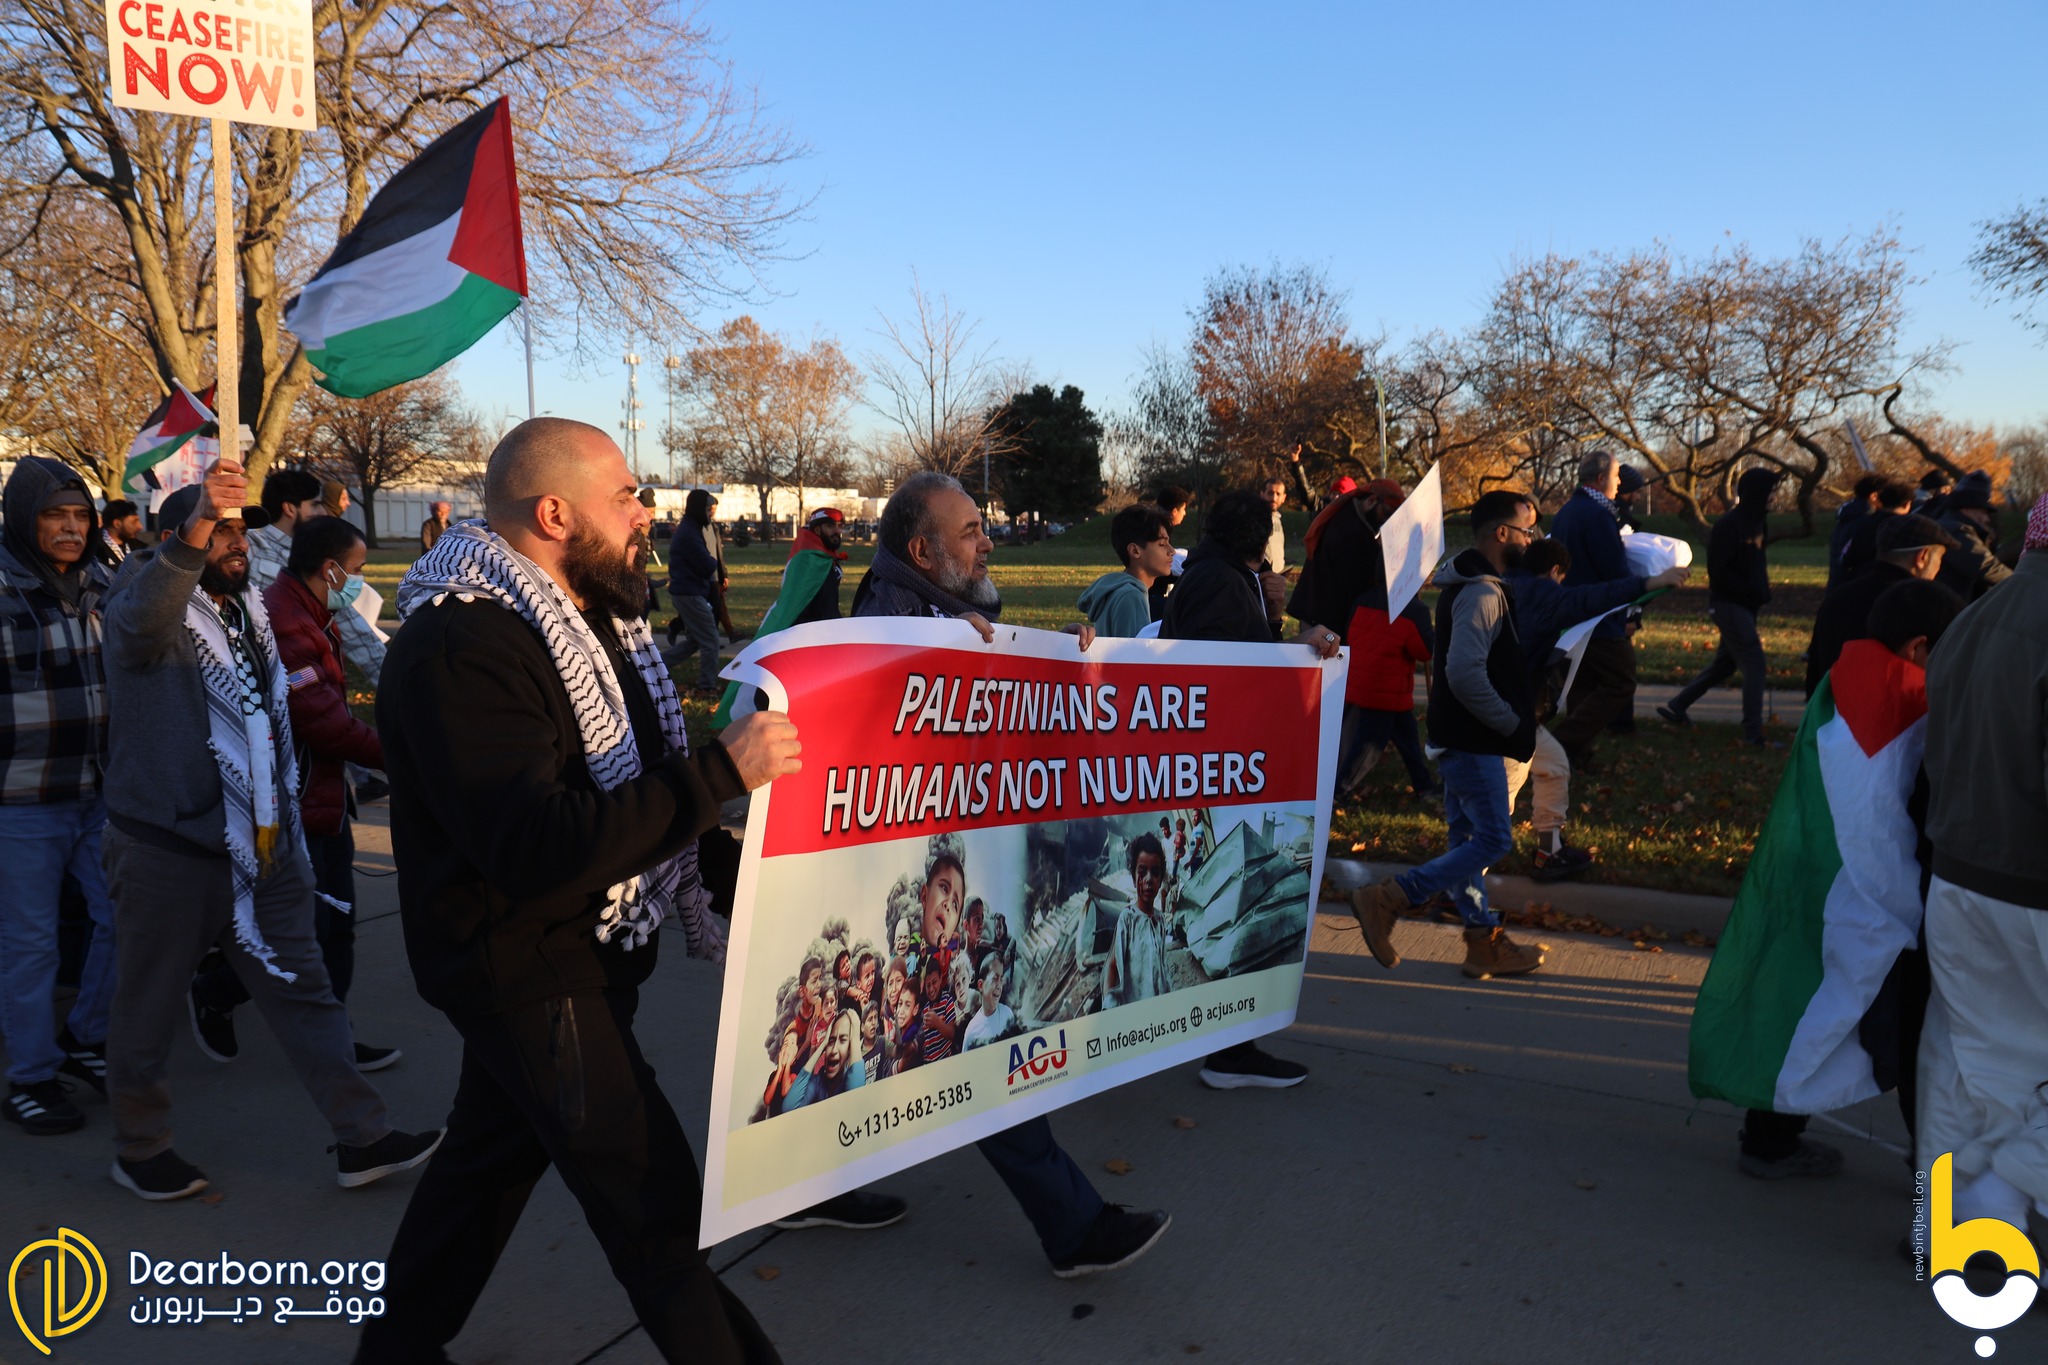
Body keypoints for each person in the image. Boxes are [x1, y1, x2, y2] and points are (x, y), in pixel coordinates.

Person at [358, 418, 805, 1364]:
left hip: (586, 953)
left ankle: (394, 1352)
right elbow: (537, 845)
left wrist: (751, 879)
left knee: (485, 1166)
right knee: (659, 1218)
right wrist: (718, 774)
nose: (646, 514)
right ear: (555, 514)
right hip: (528, 970)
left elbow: (642, 796)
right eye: (627, 495)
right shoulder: (460, 646)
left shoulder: (595, 625)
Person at [845, 469, 1170, 1277]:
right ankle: (1074, 1228)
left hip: (954, 881)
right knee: (981, 1061)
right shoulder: (890, 624)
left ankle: (798, 1182)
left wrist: (1059, 659)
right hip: (917, 873)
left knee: (976, 1055)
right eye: (969, 532)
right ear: (923, 551)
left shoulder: (940, 615)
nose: (987, 542)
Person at [99, 466, 440, 1201]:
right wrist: (197, 523)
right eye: (218, 530)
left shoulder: (248, 608)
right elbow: (143, 623)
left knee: (306, 989)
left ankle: (362, 1137)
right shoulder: (139, 603)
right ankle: (141, 1147)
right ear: (178, 538)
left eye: (239, 532)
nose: (236, 543)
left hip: (263, 840)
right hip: (170, 847)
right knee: (146, 1007)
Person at [1689, 577, 1963, 1180]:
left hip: (1818, 873)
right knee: (1919, 1037)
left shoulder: (1847, 675)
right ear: (1918, 648)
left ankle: (1769, 1138)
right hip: (1887, 894)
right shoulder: (1916, 699)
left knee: (1809, 1003)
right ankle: (1936, 1180)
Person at [185, 515, 398, 1072]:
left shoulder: (310, 611)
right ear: (330, 569)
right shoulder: (284, 619)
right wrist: (403, 755)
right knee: (303, 930)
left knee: (334, 925)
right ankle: (219, 990)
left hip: (322, 795)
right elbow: (321, 722)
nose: (360, 580)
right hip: (294, 800)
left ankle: (333, 1039)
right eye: (356, 569)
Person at [1161, 488, 1338, 1086]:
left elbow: (1240, 652)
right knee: (1237, 911)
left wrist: (1275, 620)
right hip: (1225, 763)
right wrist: (1290, 647)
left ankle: (1232, 1045)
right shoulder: (1220, 581)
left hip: (1228, 762)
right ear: (1259, 540)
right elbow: (1224, 671)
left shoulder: (1221, 575)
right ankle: (1230, 1053)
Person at [1914, 495, 2048, 1241]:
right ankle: (2003, 1206)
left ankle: (1948, 1230)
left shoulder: (1971, 619)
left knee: (1963, 1066)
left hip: (1959, 874)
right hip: (2031, 886)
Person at [1349, 490, 1550, 980]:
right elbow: (1463, 673)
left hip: (1461, 739)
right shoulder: (1482, 594)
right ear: (1501, 533)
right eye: (1526, 530)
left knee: (1467, 844)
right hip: (1475, 742)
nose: (1532, 539)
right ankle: (1390, 897)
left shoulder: (1479, 587)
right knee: (1493, 839)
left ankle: (1483, 943)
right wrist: (1511, 723)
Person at [0, 459, 120, 1135]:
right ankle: (31, 1076)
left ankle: (86, 1035)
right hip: (21, 802)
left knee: (125, 916)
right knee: (31, 946)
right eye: (55, 515)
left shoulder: (103, 581)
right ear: (24, 518)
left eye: (80, 515)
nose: (72, 528)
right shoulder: (3, 586)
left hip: (100, 793)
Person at [1511, 539, 1690, 879]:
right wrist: (1649, 583)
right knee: (1493, 814)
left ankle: (1549, 851)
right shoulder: (1541, 594)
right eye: (1561, 579)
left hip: (1520, 716)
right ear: (1554, 572)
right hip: (1505, 720)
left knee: (1555, 765)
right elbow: (1591, 598)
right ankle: (1455, 887)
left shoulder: (1511, 586)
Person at [1657, 467, 1783, 746]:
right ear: (1756, 493)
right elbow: (1718, 571)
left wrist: (1758, 593)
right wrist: (1749, 590)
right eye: (1770, 491)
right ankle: (1753, 734)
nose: (1774, 496)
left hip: (1747, 606)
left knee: (1725, 666)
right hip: (1729, 605)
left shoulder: (1758, 522)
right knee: (1755, 664)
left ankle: (1677, 705)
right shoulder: (1728, 526)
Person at [1549, 451, 1637, 772]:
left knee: (1582, 686)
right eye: (1615, 477)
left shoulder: (1567, 511)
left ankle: (1574, 758)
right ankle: (1560, 744)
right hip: (1599, 617)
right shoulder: (1598, 515)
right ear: (1600, 479)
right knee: (1621, 680)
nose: (1619, 483)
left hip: (1572, 613)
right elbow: (1614, 569)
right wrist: (1637, 590)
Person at [1802, 515, 1955, 696]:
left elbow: (1815, 675)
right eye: (1940, 559)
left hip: (1836, 708)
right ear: (1922, 556)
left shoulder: (1836, 598)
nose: (1939, 568)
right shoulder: (1927, 607)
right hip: (1898, 710)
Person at [1335, 583, 1437, 800]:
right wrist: (1428, 630)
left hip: (1373, 686)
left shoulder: (1363, 599)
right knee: (1368, 748)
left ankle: (1424, 785)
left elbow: (1350, 635)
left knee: (1408, 738)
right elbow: (1424, 651)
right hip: (1384, 692)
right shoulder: (1413, 610)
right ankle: (1340, 791)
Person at [1289, 477, 1405, 640]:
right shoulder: (1352, 532)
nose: (1386, 521)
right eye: (1386, 514)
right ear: (1371, 501)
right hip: (1325, 623)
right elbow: (1362, 581)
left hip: (1319, 614)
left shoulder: (1348, 514)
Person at [1079, 504, 1173, 637]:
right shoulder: (1131, 596)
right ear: (1135, 551)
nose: (1172, 551)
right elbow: (1135, 650)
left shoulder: (1116, 590)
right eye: (1162, 544)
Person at [664, 488, 724, 692]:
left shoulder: (691, 528)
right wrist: (712, 559)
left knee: (694, 641)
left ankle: (655, 667)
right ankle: (707, 686)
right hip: (688, 593)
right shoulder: (689, 533)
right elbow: (707, 565)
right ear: (698, 509)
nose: (710, 514)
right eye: (707, 510)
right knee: (711, 640)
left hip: (688, 591)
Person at [1102, 833, 1170, 1010]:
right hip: (1134, 1012)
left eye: (1155, 873)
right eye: (1142, 872)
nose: (1148, 879)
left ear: (1161, 878)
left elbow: (1161, 967)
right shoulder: (1128, 919)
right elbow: (1113, 966)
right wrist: (1109, 1007)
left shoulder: (1160, 920)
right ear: (1133, 878)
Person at [1932, 475, 2012, 603]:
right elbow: (1986, 567)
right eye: (1983, 512)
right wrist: (2020, 581)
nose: (1987, 518)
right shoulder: (1957, 531)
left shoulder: (1945, 523)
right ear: (1968, 508)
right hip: (1948, 607)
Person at [785, 1007, 865, 1110]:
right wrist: (823, 1044)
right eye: (831, 1041)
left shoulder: (850, 1079)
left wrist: (855, 1038)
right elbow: (788, 1107)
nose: (834, 1050)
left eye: (843, 1040)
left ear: (851, 1049)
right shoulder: (818, 1081)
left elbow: (856, 1100)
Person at [1835, 479, 1912, 581]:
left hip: (1862, 579)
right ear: (1907, 504)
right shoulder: (1907, 527)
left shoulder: (1866, 522)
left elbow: (1848, 558)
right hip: (1893, 581)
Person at [1828, 473, 1886, 588]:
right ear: (1874, 496)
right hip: (1855, 585)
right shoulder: (1867, 520)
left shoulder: (1847, 516)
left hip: (1837, 584)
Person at [1144, 484, 1192, 618]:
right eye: (1184, 509)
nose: (1185, 513)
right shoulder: (1159, 528)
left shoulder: (1151, 524)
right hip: (1154, 595)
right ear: (1175, 511)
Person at [1258, 471, 1290, 639]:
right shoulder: (1258, 520)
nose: (1274, 497)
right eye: (1270, 493)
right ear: (1262, 494)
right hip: (1262, 581)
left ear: (1284, 498)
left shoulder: (1277, 519)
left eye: (1278, 494)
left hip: (1278, 578)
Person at [963, 955, 1015, 1050]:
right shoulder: (971, 1032)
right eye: (994, 978)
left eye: (1001, 979)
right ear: (981, 985)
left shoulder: (1008, 1015)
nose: (999, 985)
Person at [100, 498, 145, 562]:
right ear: (117, 524)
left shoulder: (140, 549)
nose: (140, 527)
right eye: (134, 522)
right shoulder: (95, 551)